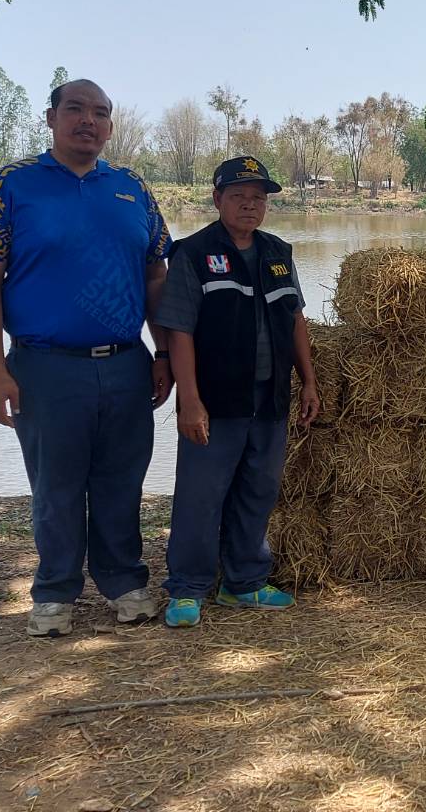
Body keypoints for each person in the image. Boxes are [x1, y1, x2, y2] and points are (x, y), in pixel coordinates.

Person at [0, 79, 174, 637]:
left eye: (101, 113)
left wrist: (165, 353)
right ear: (52, 117)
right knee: (55, 486)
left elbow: (157, 276)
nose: (89, 121)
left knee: (121, 480)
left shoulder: (133, 190)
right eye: (76, 110)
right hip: (45, 366)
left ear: (110, 125)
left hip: (127, 362)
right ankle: (55, 593)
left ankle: (125, 583)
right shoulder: (9, 187)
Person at [152, 156, 320, 628]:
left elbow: (295, 319)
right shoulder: (193, 253)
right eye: (239, 197)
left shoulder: (277, 252)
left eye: (258, 199)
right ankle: (187, 587)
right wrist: (190, 400)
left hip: (269, 400)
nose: (250, 206)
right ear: (217, 199)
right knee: (200, 496)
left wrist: (307, 381)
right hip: (216, 400)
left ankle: (242, 583)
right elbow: (178, 330)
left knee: (258, 491)